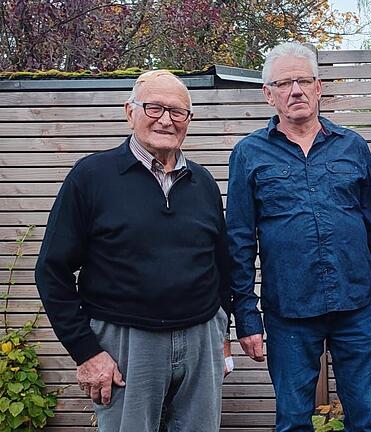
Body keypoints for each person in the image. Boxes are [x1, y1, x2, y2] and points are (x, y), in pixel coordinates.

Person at [35, 70, 232, 432]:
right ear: (130, 111)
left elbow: (220, 263)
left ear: (189, 120)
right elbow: (51, 271)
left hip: (201, 338)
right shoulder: (91, 177)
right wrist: (87, 353)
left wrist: (222, 334)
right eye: (154, 107)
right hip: (126, 345)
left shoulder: (202, 183)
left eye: (178, 112)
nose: (166, 119)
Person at [226, 42, 371, 431]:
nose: (296, 91)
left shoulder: (353, 147)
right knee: (291, 420)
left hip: (357, 306)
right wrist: (247, 319)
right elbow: (237, 241)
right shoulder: (248, 154)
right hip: (288, 310)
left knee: (366, 419)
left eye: (303, 80)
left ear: (319, 87)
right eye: (284, 83)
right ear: (268, 94)